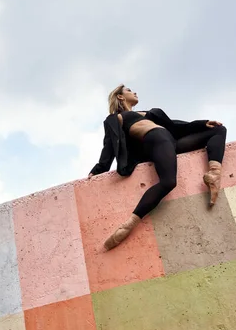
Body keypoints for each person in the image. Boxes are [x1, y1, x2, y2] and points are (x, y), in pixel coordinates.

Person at [88, 84, 227, 251]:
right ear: (120, 97)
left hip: (172, 142)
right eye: (129, 90)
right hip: (155, 140)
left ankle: (214, 174)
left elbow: (176, 125)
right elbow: (109, 146)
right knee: (168, 182)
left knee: (218, 130)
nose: (135, 92)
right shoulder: (116, 118)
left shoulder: (150, 113)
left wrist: (203, 123)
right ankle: (129, 224)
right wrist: (98, 169)